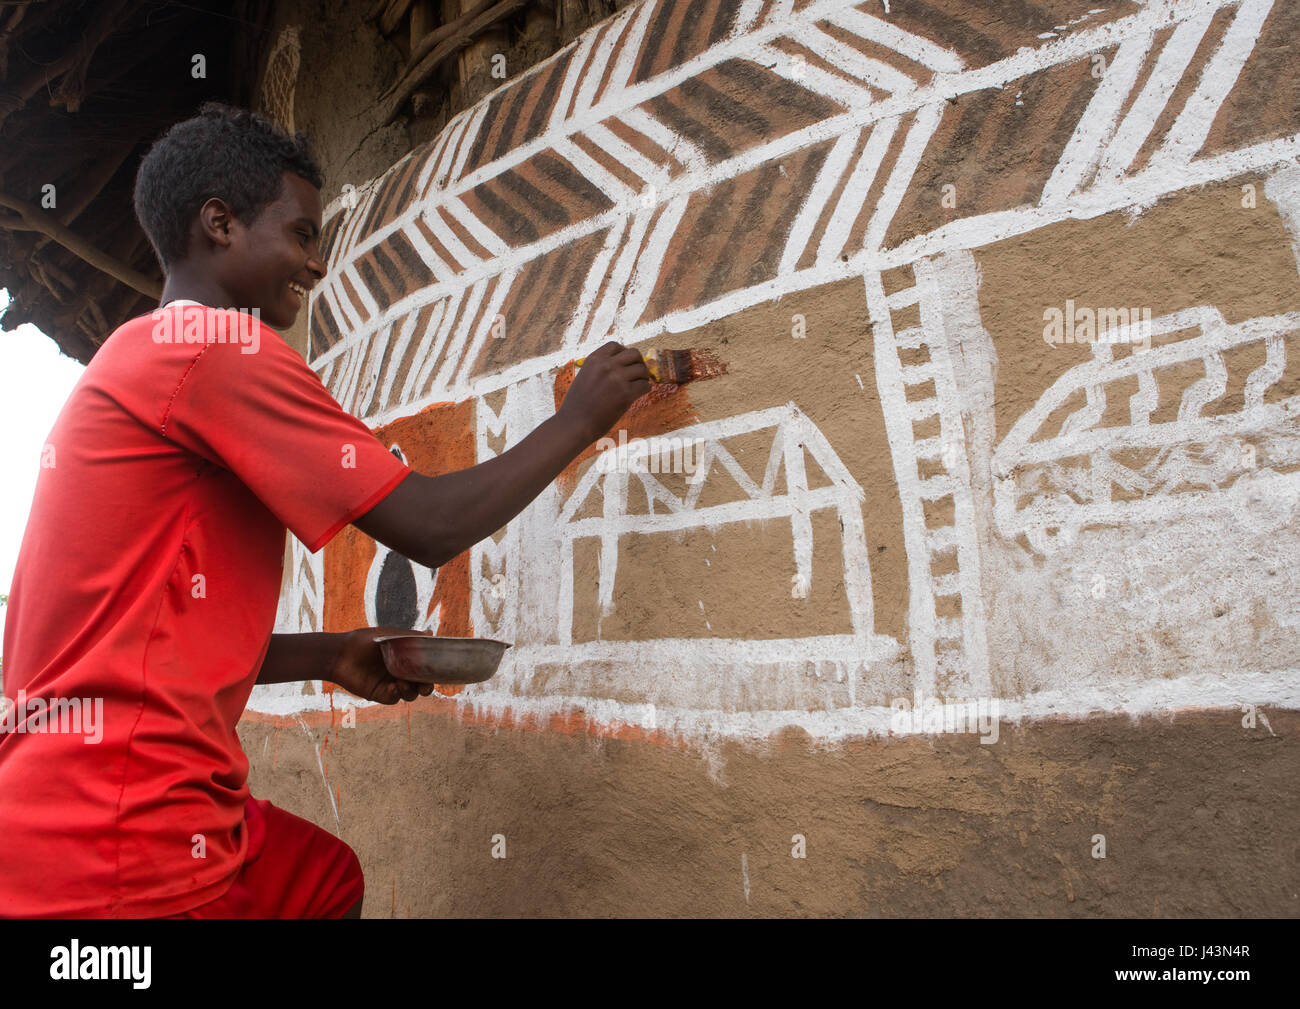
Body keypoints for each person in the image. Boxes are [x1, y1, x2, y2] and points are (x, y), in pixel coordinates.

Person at [0, 102, 649, 918]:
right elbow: (429, 523)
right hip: (123, 834)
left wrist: (331, 652)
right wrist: (578, 420)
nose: (316, 266)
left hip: (59, 809)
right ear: (220, 224)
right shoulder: (215, 349)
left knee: (322, 878)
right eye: (303, 235)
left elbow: (150, 643)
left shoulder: (138, 357)